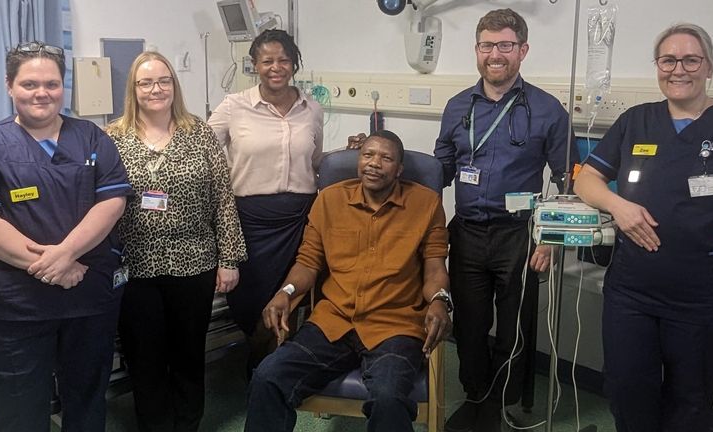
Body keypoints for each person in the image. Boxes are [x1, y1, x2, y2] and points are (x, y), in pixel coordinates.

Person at [574, 23, 713, 432]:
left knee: (690, 403)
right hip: (633, 294)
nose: (678, 69)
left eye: (690, 59)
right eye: (668, 60)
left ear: (709, 67)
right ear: (658, 66)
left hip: (708, 298)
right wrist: (620, 207)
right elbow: (585, 180)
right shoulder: (637, 121)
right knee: (628, 392)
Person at [244, 130, 452, 432]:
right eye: (368, 155)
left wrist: (440, 300)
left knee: (389, 397)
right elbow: (308, 261)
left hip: (395, 325)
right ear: (358, 160)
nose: (374, 163)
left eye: (386, 158)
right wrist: (285, 293)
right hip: (334, 321)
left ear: (399, 169)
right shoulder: (329, 200)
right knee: (268, 376)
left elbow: (435, 267)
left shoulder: (426, 204)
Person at [0, 41, 131, 431]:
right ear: (9, 85)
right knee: (18, 405)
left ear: (64, 86)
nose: (41, 92)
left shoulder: (93, 139)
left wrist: (66, 254)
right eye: (29, 84)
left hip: (87, 298)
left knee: (88, 398)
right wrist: (55, 266)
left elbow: (111, 203)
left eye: (52, 83)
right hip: (17, 305)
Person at [434, 8, 578, 432]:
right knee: (471, 325)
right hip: (467, 233)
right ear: (476, 51)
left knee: (515, 327)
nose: (495, 54)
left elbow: (570, 178)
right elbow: (440, 170)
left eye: (505, 46)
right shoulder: (458, 106)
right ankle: (476, 397)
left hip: (522, 237)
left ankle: (502, 403)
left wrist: (551, 237)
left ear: (523, 50)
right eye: (487, 46)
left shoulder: (548, 109)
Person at [106, 52, 247, 432]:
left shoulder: (198, 132)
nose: (156, 89)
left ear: (174, 85)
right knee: (144, 356)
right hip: (136, 265)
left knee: (187, 353)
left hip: (194, 262)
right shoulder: (112, 137)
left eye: (164, 81)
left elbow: (223, 197)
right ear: (133, 89)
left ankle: (187, 423)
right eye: (146, 82)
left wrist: (229, 258)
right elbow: (97, 203)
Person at [208, 29, 323, 373]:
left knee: (290, 297)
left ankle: (266, 375)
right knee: (249, 303)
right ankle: (265, 368)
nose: (276, 67)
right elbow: (201, 147)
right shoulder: (234, 106)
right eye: (267, 60)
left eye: (284, 60)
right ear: (255, 65)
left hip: (299, 220)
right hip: (248, 221)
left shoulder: (311, 108)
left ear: (294, 63)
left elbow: (314, 163)